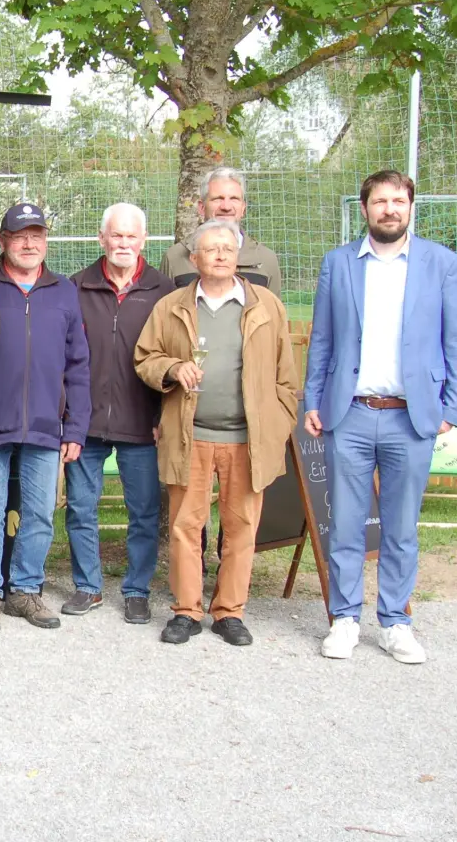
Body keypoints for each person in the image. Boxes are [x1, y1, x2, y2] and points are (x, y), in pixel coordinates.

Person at [306, 170, 457, 664]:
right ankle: (345, 619)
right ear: (364, 209)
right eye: (380, 201)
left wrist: (451, 408)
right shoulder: (338, 264)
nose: (390, 209)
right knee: (347, 524)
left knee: (401, 526)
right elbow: (322, 340)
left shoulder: (442, 264)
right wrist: (313, 399)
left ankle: (396, 622)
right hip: (350, 413)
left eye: (398, 201)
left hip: (411, 418)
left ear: (410, 207)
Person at [135, 219, 299, 647]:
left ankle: (229, 611)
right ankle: (187, 610)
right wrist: (173, 368)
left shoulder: (266, 306)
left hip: (246, 439)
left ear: (238, 255)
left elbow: (286, 379)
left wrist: (278, 422)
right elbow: (145, 358)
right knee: (186, 527)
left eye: (228, 248)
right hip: (190, 435)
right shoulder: (171, 306)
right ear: (195, 259)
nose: (222, 255)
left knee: (241, 526)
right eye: (211, 249)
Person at [0, 203, 90, 634]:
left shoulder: (64, 291)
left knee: (39, 513)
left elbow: (78, 364)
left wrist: (75, 426)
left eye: (37, 235)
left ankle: (24, 590)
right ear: (3, 240)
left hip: (44, 424)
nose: (30, 243)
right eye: (20, 236)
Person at [62, 202, 172, 625]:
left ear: (144, 240)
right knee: (80, 507)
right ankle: (87, 587)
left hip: (142, 419)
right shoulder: (75, 287)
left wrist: (164, 414)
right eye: (116, 235)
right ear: (101, 239)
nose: (123, 243)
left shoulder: (165, 292)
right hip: (84, 422)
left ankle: (137, 590)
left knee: (143, 511)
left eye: (132, 236)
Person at [160, 167, 283, 294]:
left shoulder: (266, 259)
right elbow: (165, 310)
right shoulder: (174, 257)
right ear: (202, 207)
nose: (226, 207)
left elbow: (273, 312)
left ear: (243, 208)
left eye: (234, 198)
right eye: (218, 198)